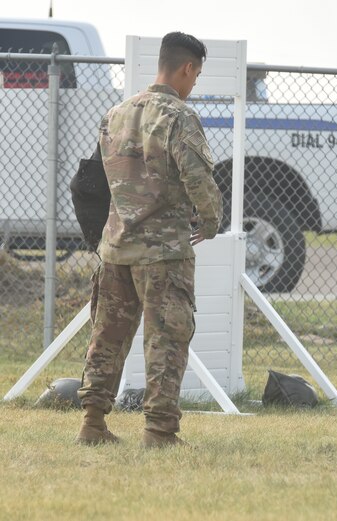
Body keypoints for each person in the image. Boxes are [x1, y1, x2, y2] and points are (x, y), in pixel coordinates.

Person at [76, 32, 222, 448]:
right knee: (166, 338)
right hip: (163, 255)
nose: (193, 85)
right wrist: (210, 221)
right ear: (187, 69)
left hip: (116, 247)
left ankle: (92, 423)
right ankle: (159, 432)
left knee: (107, 336)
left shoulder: (116, 113)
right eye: (195, 76)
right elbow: (198, 177)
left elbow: (94, 182)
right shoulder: (179, 116)